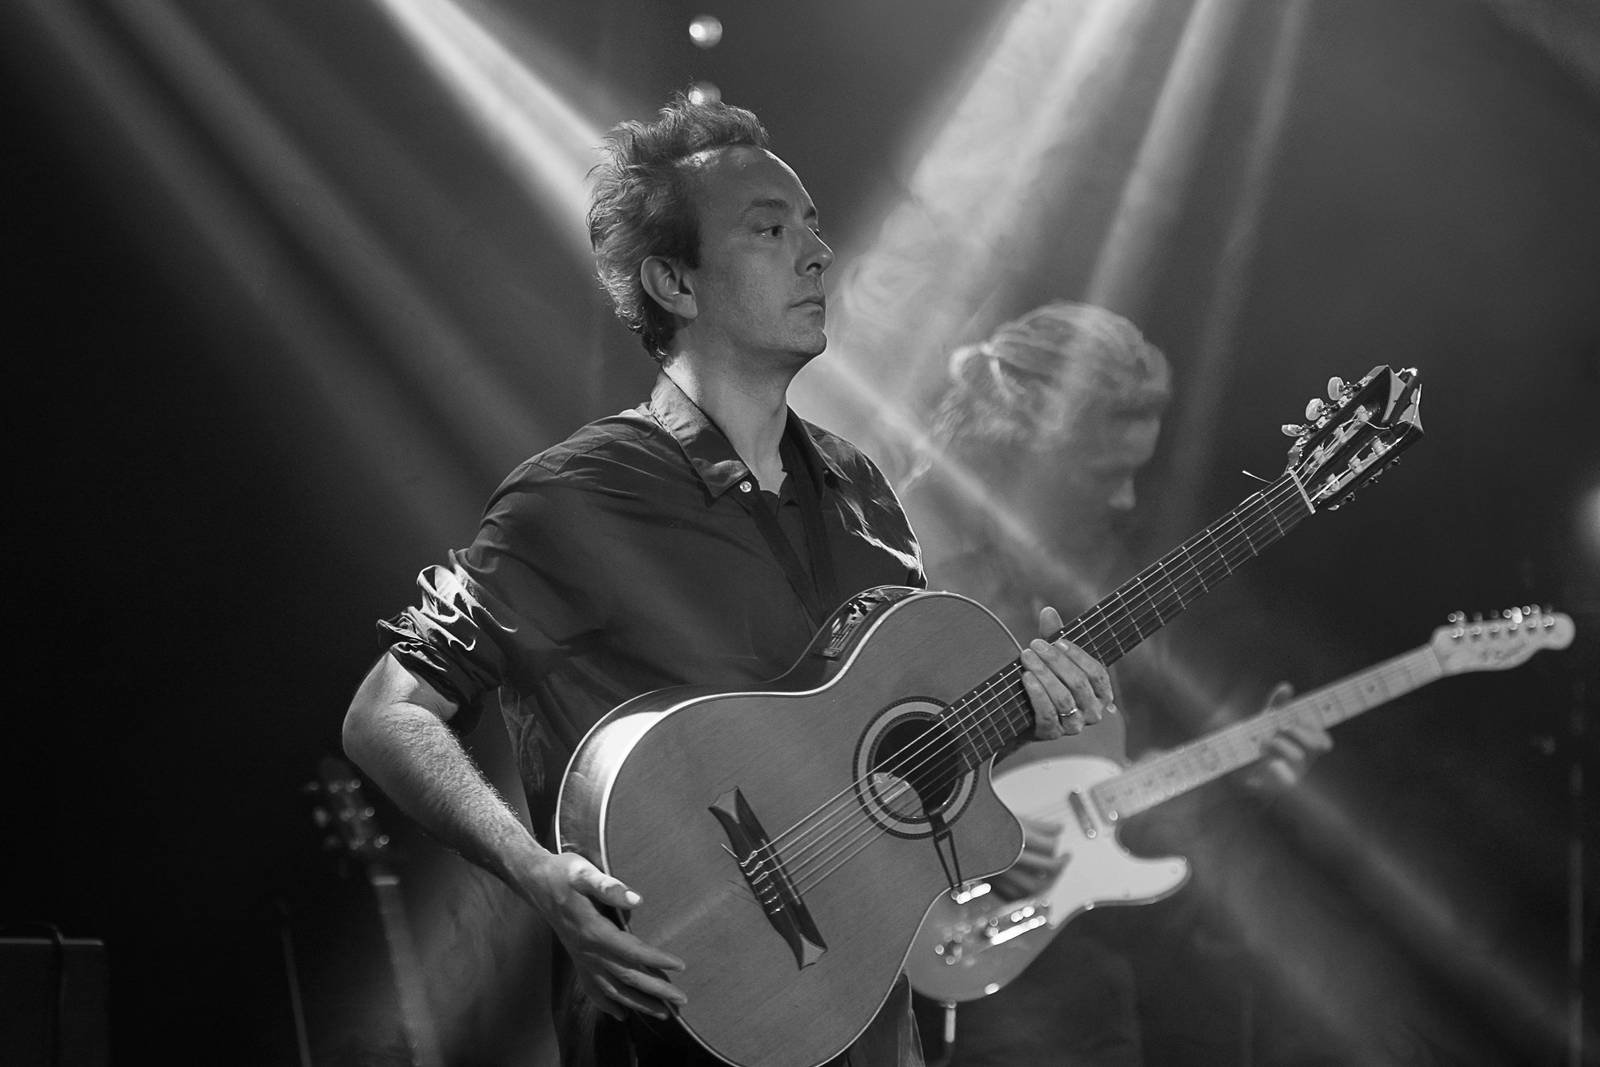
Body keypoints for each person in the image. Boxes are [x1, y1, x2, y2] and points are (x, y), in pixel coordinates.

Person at [341, 98, 1117, 1067]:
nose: (817, 253)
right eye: (769, 229)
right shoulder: (572, 495)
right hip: (671, 1030)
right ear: (674, 281)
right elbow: (387, 712)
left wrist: (1016, 724)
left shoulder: (865, 494)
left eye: (813, 226)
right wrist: (535, 872)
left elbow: (875, 773)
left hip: (870, 1030)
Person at [896, 302, 1334, 1066]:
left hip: (1096, 961)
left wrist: (1238, 776)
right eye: (1105, 473)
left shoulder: (1100, 568)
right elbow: (829, 761)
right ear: (1018, 444)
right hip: (933, 968)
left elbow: (1110, 791)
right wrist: (969, 828)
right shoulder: (893, 549)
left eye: (1137, 471)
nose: (1128, 499)